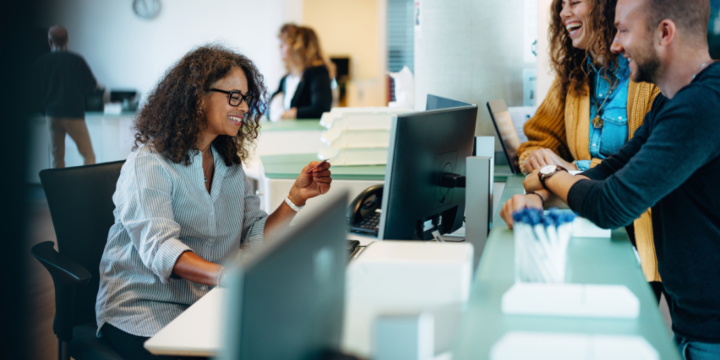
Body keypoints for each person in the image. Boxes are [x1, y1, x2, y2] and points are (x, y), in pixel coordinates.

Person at [501, 0, 720, 357]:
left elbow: (609, 203)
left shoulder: (702, 106)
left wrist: (546, 174)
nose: (615, 44)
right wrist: (540, 196)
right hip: (690, 321)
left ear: (665, 33)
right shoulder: (671, 102)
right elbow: (608, 170)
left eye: (623, 31)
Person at [94, 45, 333, 359]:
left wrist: (295, 199)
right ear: (197, 97)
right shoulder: (150, 164)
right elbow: (162, 251)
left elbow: (253, 234)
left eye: (246, 97)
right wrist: (229, 276)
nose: (244, 107)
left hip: (204, 303)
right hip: (142, 311)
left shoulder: (229, 165)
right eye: (234, 96)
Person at [517, 0, 664, 298]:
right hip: (584, 223)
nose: (562, 13)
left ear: (606, 7)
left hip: (639, 237)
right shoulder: (574, 75)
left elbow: (646, 166)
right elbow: (537, 139)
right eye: (561, 5)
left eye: (575, 2)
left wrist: (567, 170)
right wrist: (538, 158)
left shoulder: (648, 77)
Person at [34, 25, 98, 168]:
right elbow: (92, 85)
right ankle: (89, 186)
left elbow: (35, 92)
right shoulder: (77, 61)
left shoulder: (41, 62)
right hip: (73, 114)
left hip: (52, 115)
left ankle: (57, 190)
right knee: (88, 155)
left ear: (50, 41)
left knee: (57, 158)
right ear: (67, 40)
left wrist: (44, 110)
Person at [269, 24, 333, 120]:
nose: (280, 46)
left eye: (284, 43)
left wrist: (285, 114)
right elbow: (269, 107)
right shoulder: (285, 79)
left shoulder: (318, 73)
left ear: (298, 47)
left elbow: (321, 109)